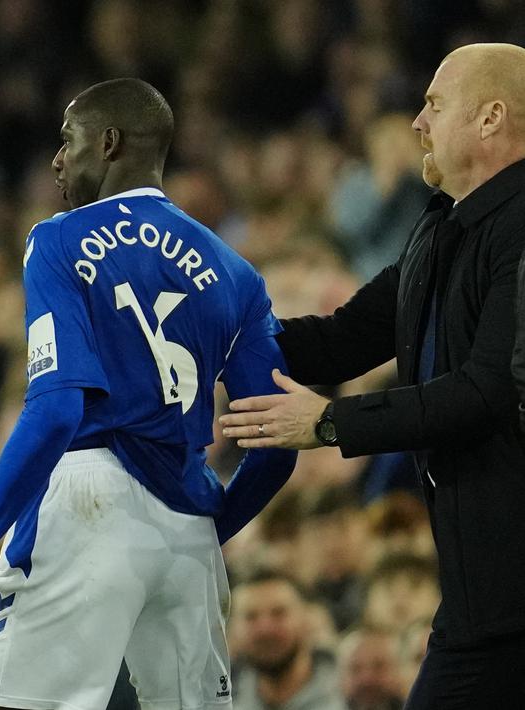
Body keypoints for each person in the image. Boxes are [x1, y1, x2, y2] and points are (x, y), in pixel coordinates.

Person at [0, 78, 297, 710]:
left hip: (89, 501)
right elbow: (275, 446)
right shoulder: (237, 274)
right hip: (189, 521)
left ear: (107, 143)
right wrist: (206, 530)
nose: (57, 159)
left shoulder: (60, 240)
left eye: (67, 140)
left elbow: (56, 410)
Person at [218, 43, 525, 708]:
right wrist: (212, 345)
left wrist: (328, 422)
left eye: (435, 104)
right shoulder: (439, 230)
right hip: (481, 605)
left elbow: (487, 392)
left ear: (490, 117)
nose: (416, 122)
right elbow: (336, 343)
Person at [228, 571, 344, 710]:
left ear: (306, 620)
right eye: (250, 617)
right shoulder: (220, 700)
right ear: (234, 629)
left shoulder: (350, 696)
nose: (265, 629)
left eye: (279, 613)